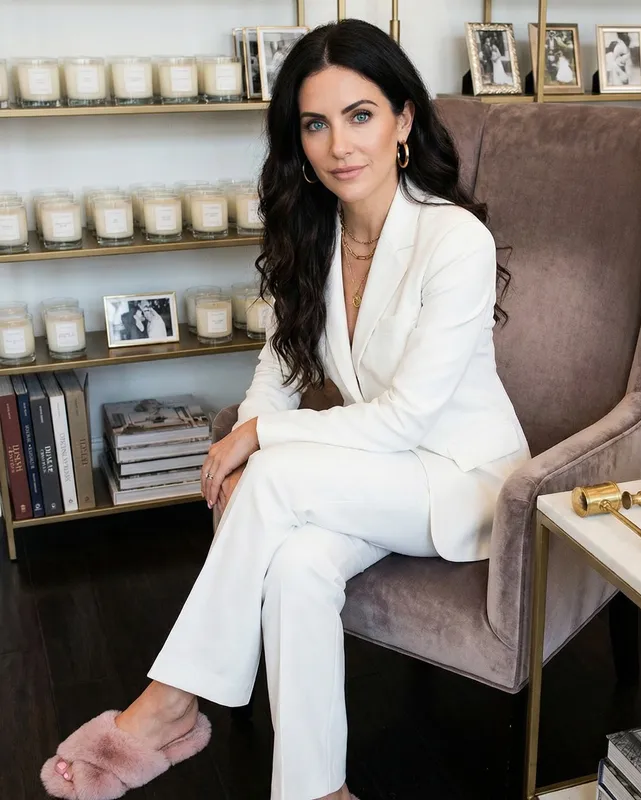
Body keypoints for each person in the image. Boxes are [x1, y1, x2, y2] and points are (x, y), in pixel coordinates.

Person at [41, 18, 529, 800]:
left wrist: (257, 442)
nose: (340, 144)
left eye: (361, 114)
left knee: (269, 479)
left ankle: (169, 704)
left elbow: (404, 419)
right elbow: (277, 368)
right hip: (379, 473)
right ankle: (316, 790)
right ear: (298, 139)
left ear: (404, 120)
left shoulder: (453, 239)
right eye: (316, 123)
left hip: (463, 481)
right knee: (299, 567)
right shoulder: (314, 236)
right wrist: (246, 430)